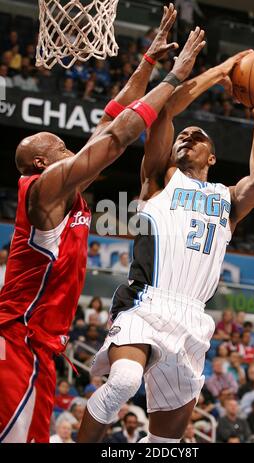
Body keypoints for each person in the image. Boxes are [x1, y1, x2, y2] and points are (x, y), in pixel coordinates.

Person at [78, 12, 254, 446]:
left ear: (212, 158)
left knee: (167, 441)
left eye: (197, 136)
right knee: (122, 382)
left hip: (193, 317)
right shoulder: (159, 177)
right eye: (183, 136)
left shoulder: (226, 198)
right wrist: (220, 72)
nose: (187, 136)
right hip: (146, 302)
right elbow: (166, 111)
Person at [0, 3, 189, 443]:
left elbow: (110, 116)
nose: (74, 148)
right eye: (62, 145)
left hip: (38, 348)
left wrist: (147, 60)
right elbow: (118, 136)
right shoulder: (42, 189)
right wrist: (173, 78)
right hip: (19, 344)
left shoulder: (65, 190)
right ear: (43, 161)